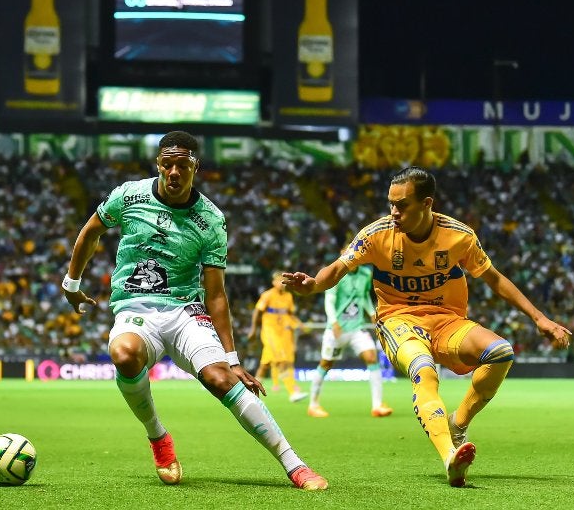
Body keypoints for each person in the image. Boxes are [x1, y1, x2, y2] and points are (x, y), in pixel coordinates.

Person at [61, 131, 327, 491]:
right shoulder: (129, 195)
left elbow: (216, 294)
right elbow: (90, 232)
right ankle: (158, 437)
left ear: (194, 167)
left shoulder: (211, 220)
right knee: (123, 354)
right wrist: (72, 285)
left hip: (186, 310)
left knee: (222, 380)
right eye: (166, 164)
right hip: (136, 307)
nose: (173, 172)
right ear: (158, 164)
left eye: (181, 165)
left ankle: (295, 465)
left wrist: (232, 359)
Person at [283, 167, 571, 488]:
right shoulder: (376, 234)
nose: (393, 212)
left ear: (427, 203)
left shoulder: (458, 235)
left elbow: (495, 279)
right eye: (390, 204)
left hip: (448, 321)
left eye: (401, 205)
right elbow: (338, 268)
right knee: (424, 368)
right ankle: (450, 455)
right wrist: (311, 285)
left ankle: (458, 423)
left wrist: (539, 318)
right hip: (398, 321)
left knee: (501, 352)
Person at [306, 262, 392, 418]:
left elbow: (363, 295)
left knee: (372, 358)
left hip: (357, 327)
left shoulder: (366, 274)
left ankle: (377, 405)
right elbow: (329, 300)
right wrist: (333, 322)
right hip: (337, 329)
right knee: (326, 364)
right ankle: (313, 404)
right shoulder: (336, 273)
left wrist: (371, 312)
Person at [247, 271, 307, 402]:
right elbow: (257, 311)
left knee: (264, 364)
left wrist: (298, 322)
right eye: (279, 280)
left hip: (283, 334)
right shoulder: (267, 295)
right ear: (273, 282)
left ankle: (250, 392)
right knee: (281, 361)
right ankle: (292, 392)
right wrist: (253, 329)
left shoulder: (288, 297)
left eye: (283, 280)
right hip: (270, 332)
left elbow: (289, 314)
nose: (282, 283)